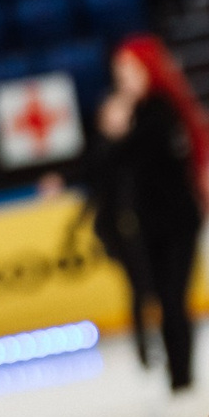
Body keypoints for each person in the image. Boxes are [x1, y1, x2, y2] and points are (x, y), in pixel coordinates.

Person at [102, 36, 209, 393]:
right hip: (150, 224)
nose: (122, 78)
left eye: (129, 70)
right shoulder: (137, 113)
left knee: (172, 299)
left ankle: (181, 378)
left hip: (178, 222)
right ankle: (177, 376)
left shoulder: (161, 111)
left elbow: (140, 156)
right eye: (119, 71)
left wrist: (117, 133)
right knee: (161, 299)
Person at [46, 92, 160, 372]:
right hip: (116, 230)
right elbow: (87, 176)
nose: (121, 117)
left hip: (141, 225)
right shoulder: (101, 150)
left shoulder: (139, 146)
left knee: (146, 286)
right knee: (140, 285)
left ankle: (150, 342)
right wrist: (60, 180)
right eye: (114, 113)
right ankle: (145, 345)